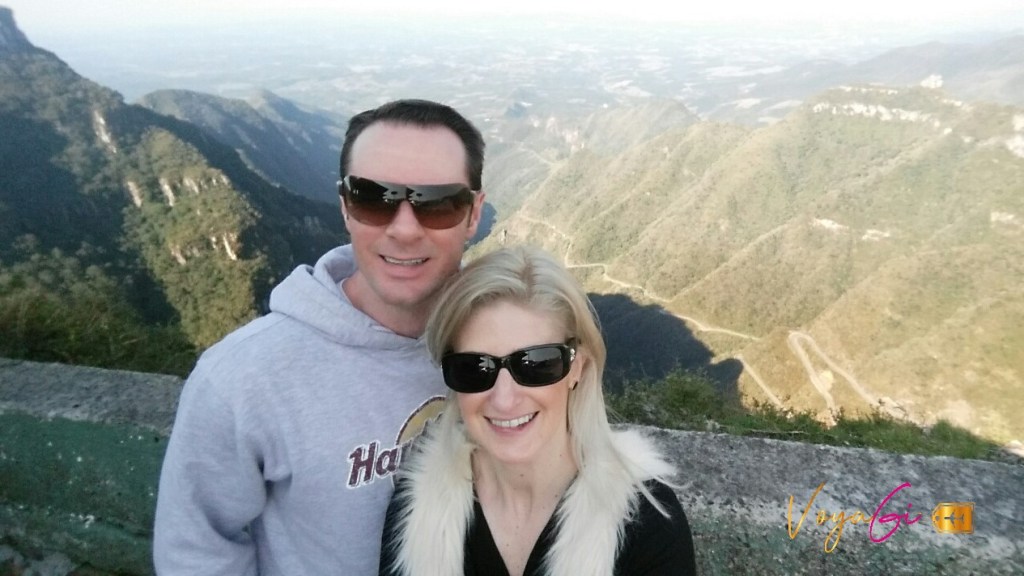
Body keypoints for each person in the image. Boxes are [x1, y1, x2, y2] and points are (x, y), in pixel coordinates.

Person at [153, 99, 487, 575]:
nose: (404, 229)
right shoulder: (241, 379)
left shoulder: (508, 349)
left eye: (437, 204)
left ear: (473, 214)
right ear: (346, 207)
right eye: (374, 198)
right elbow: (195, 551)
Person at [379, 246, 697, 576]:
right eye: (474, 368)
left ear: (577, 368)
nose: (504, 399)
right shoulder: (414, 514)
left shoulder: (647, 527)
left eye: (536, 365)